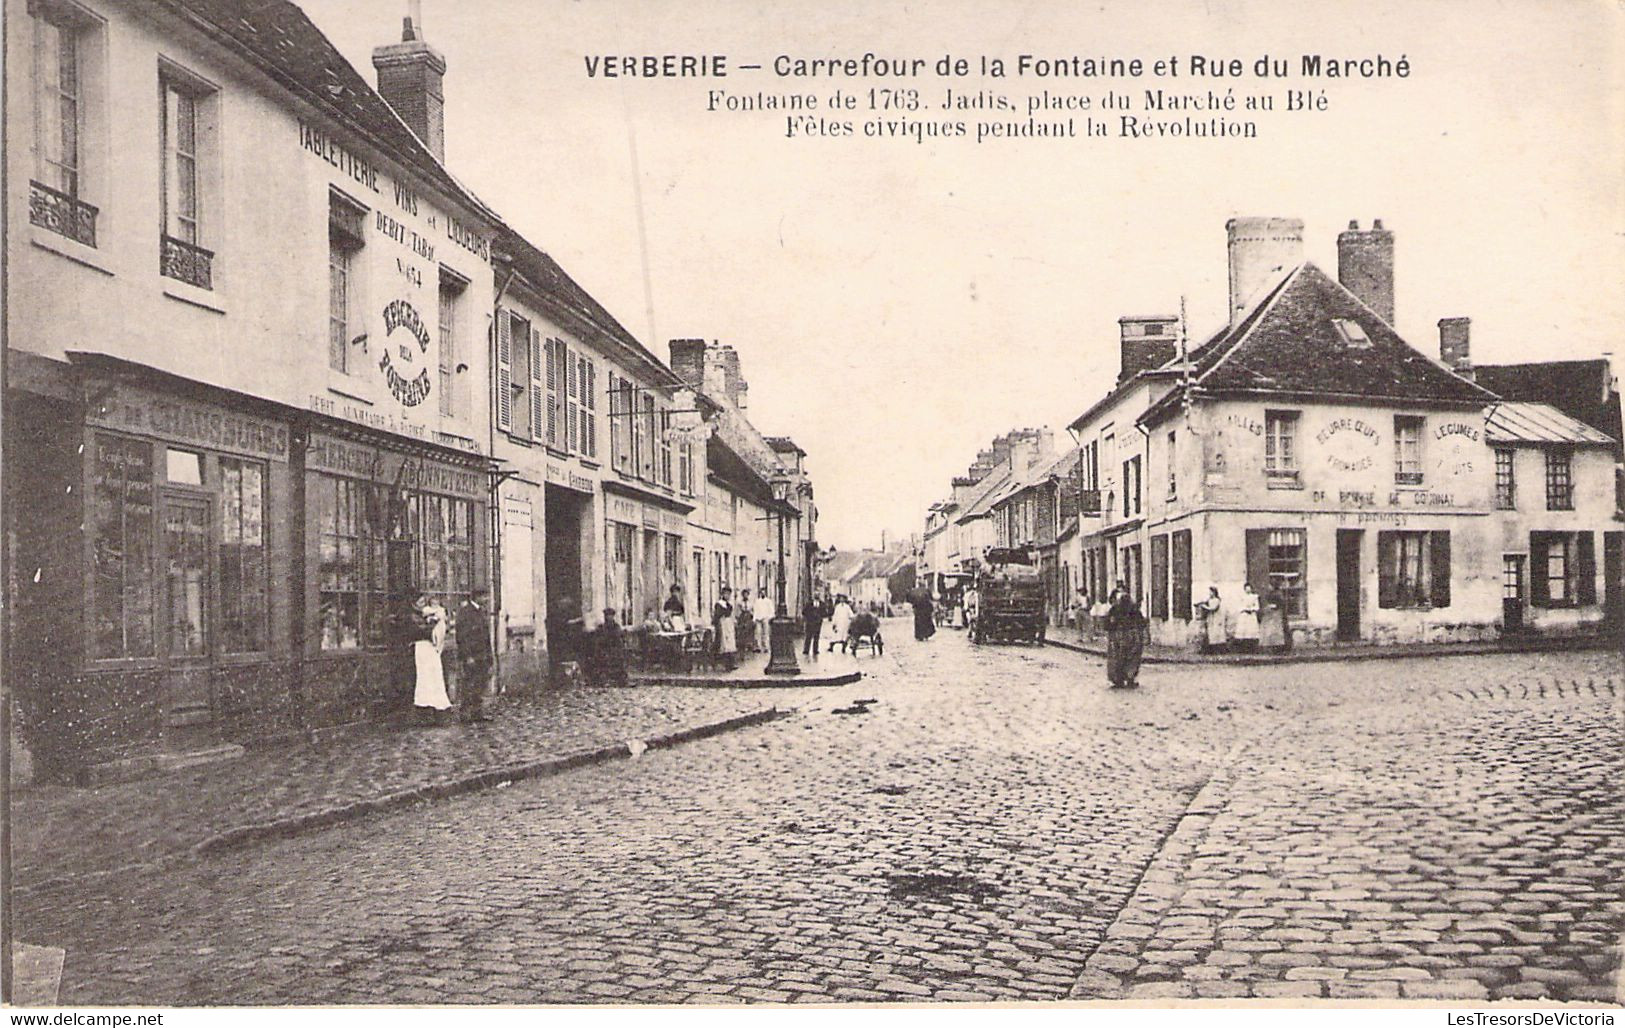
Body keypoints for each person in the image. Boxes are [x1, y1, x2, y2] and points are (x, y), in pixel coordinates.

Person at [411, 595, 453, 724]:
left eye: (424, 601)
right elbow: (420, 632)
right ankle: (425, 712)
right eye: (420, 601)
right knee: (425, 680)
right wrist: (432, 625)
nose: (423, 604)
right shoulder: (415, 616)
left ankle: (437, 710)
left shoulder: (428, 614)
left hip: (431, 650)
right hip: (423, 649)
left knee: (435, 678)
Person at [454, 588, 494, 723]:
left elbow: (486, 637)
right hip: (472, 655)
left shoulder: (481, 612)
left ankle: (477, 713)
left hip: (482, 654)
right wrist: (467, 656)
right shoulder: (466, 612)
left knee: (480, 684)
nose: (487, 600)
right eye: (485, 597)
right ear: (477, 597)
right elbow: (462, 636)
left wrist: (490, 657)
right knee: (468, 684)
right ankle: (464, 713)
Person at [1104, 583, 1148, 689]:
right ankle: (1129, 678)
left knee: (1118, 658)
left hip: (1119, 636)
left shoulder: (1115, 609)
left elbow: (1108, 624)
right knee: (1132, 658)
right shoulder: (1134, 609)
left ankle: (1118, 679)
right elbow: (1142, 622)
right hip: (1132, 635)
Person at [1196, 585, 1227, 653]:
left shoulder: (1217, 600)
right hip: (1211, 618)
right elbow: (1205, 603)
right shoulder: (1209, 600)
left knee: (1216, 633)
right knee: (1210, 633)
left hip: (1216, 618)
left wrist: (1204, 606)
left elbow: (1213, 608)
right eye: (1209, 592)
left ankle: (1218, 649)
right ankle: (1210, 648)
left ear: (1214, 593)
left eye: (1211, 592)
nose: (1210, 594)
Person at [713, 587, 738, 670]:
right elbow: (717, 616)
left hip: (729, 624)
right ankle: (725, 663)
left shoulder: (729, 605)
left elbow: (730, 614)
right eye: (726, 594)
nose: (727, 596)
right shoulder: (719, 604)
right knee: (724, 643)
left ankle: (731, 663)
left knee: (730, 643)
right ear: (722, 594)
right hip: (722, 624)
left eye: (729, 594)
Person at [1234, 582, 1262, 653]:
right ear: (1244, 589)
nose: (1248, 589)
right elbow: (1239, 606)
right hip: (1244, 615)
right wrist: (1245, 609)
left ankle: (1252, 648)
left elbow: (1257, 607)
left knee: (1251, 631)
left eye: (1249, 588)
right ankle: (1243, 648)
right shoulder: (1242, 597)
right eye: (1246, 588)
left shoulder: (1254, 597)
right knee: (1244, 631)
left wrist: (1252, 609)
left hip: (1251, 615)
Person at [802, 592, 828, 659]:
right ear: (813, 596)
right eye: (815, 595)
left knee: (816, 637)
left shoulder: (822, 604)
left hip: (818, 623)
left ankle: (815, 650)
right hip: (810, 622)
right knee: (808, 636)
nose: (817, 596)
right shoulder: (809, 603)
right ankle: (806, 650)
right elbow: (804, 612)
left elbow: (825, 613)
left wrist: (820, 617)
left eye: (818, 595)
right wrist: (808, 617)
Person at [737, 589, 757, 655]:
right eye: (744, 594)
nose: (745, 595)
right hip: (742, 617)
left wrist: (754, 619)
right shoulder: (740, 602)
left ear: (748, 595)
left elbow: (754, 611)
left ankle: (750, 645)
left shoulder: (751, 602)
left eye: (746, 594)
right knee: (743, 631)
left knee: (749, 631)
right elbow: (738, 610)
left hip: (749, 616)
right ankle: (743, 645)